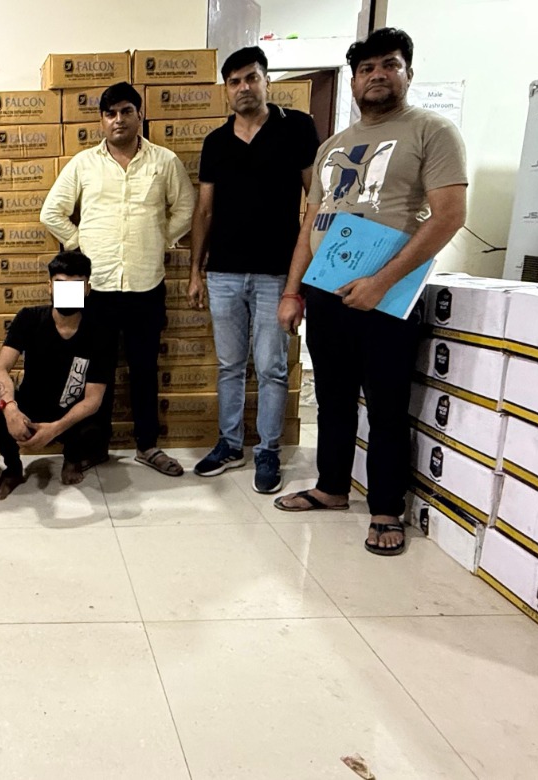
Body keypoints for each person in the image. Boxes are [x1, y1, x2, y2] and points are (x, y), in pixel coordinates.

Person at [274, 28, 468, 556]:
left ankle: (385, 508)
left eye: (389, 64)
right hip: (326, 290)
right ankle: (332, 487)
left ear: (408, 73)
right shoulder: (332, 146)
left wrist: (381, 282)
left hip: (388, 294)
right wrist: (293, 292)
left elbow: (449, 216)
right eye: (366, 68)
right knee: (333, 399)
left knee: (386, 405)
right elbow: (311, 223)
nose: (377, 75)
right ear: (354, 81)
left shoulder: (432, 131)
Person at [40, 82, 194, 477]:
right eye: (110, 113)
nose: (118, 120)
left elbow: (186, 208)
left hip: (146, 284)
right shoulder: (83, 164)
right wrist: (80, 244)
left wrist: (161, 237)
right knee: (96, 372)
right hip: (98, 289)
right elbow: (51, 212)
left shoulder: (164, 161)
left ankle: (147, 446)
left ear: (140, 114)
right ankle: (95, 446)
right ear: (101, 120)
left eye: (126, 111)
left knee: (143, 369)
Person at [186, 47, 321, 493]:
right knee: (229, 365)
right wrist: (195, 271)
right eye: (234, 81)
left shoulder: (296, 128)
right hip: (224, 272)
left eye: (251, 78)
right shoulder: (216, 142)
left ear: (266, 81)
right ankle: (230, 444)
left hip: (276, 273)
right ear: (225, 90)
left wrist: (300, 280)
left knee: (271, 367)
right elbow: (204, 211)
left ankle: (267, 450)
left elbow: (316, 203)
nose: (243, 87)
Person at [0, 252, 117, 499]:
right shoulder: (29, 318)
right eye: (61, 284)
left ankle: (73, 457)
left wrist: (55, 429)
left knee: (95, 427)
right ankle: (13, 470)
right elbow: (1, 368)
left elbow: (93, 399)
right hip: (34, 404)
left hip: (72, 412)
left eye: (76, 286)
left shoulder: (101, 330)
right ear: (49, 286)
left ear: (87, 289)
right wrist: (10, 407)